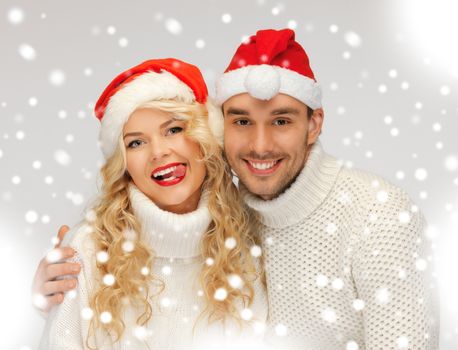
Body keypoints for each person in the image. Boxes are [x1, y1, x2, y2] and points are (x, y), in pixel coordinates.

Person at [34, 29, 439, 350]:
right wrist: (48, 295)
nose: (260, 145)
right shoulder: (94, 250)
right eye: (242, 121)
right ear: (219, 130)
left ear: (314, 123)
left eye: (281, 121)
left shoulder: (375, 214)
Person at [37, 58, 267, 350]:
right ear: (124, 165)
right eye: (136, 142)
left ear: (204, 138)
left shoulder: (245, 245)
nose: (158, 152)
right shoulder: (89, 248)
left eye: (173, 130)